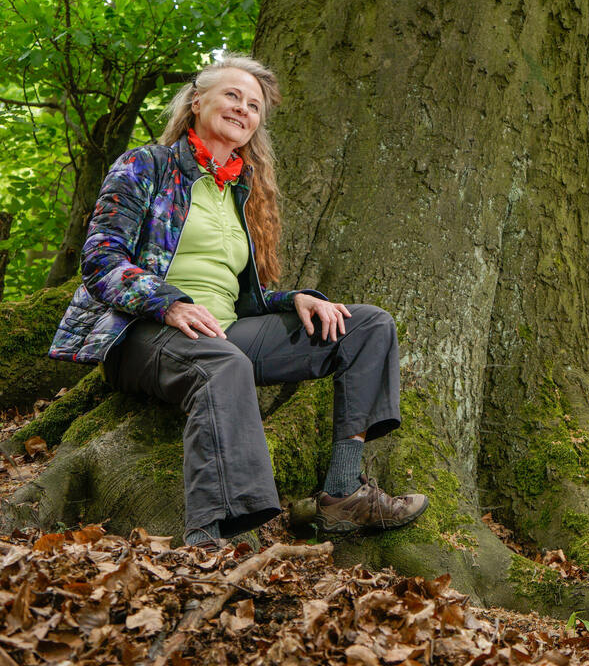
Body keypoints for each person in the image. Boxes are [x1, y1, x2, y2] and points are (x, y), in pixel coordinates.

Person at [47, 53, 427, 551]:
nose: (242, 109)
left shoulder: (243, 191)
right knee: (224, 364)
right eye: (232, 95)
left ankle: (343, 493)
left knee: (366, 326)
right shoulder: (147, 166)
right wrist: (168, 303)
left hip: (222, 330)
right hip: (139, 332)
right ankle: (212, 535)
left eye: (254, 105)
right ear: (197, 100)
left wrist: (296, 301)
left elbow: (246, 294)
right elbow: (101, 258)